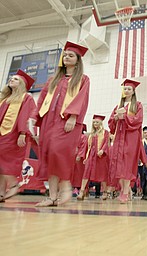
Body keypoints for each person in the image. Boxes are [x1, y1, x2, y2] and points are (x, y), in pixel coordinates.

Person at [32, 41, 90, 207]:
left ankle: (65, 185)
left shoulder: (83, 79)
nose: (66, 58)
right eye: (65, 55)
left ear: (78, 60)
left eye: (71, 55)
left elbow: (82, 99)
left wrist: (73, 117)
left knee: (59, 153)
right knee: (50, 155)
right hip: (49, 121)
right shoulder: (53, 79)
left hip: (67, 122)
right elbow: (42, 100)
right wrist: (34, 118)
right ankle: (51, 197)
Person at [108, 79, 147, 203]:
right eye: (125, 88)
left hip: (131, 137)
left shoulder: (137, 105)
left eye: (129, 89)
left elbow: (138, 120)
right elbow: (111, 125)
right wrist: (115, 118)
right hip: (120, 137)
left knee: (127, 165)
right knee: (119, 165)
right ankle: (125, 190)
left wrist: (124, 116)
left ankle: (125, 191)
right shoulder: (118, 106)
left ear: (133, 91)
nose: (127, 90)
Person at [0, 70, 36, 202]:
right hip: (2, 135)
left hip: (14, 135)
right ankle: (1, 193)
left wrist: (23, 133)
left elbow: (28, 114)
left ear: (21, 84)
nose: (11, 80)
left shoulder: (26, 97)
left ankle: (14, 184)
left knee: (7, 163)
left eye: (15, 79)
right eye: (11, 78)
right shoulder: (4, 99)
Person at [77, 115, 109, 200]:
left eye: (97, 122)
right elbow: (87, 146)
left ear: (101, 123)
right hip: (91, 156)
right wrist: (85, 157)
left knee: (102, 175)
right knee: (86, 173)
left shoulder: (105, 133)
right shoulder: (91, 134)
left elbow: (106, 143)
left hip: (101, 156)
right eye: (94, 122)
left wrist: (103, 150)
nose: (95, 123)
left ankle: (105, 192)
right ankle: (82, 191)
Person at [71, 124, 87, 196]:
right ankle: (73, 188)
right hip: (72, 157)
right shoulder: (73, 136)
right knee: (73, 173)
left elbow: (83, 147)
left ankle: (79, 188)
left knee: (79, 173)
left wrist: (79, 155)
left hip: (79, 159)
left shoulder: (83, 137)